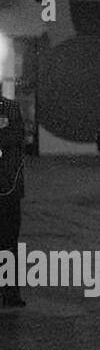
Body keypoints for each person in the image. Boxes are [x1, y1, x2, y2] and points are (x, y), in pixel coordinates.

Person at [0, 92, 26, 308]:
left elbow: (16, 138)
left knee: (9, 242)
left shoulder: (11, 108)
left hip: (8, 188)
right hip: (8, 187)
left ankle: (10, 293)